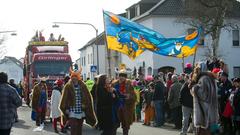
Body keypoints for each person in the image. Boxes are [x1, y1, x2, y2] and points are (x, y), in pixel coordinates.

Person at [59, 68, 97, 135]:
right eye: (73, 77)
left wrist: (85, 105)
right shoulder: (68, 86)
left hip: (81, 110)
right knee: (73, 129)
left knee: (79, 129)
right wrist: (66, 109)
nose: (74, 79)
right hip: (72, 111)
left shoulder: (83, 85)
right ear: (71, 77)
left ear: (78, 78)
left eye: (76, 77)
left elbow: (88, 97)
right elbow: (64, 99)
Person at [189, 64, 219, 135]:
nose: (196, 71)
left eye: (197, 69)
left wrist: (193, 87)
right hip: (210, 113)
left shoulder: (204, 79)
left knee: (203, 132)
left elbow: (203, 95)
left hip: (204, 114)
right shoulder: (210, 78)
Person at [112, 66, 137, 135]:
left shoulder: (129, 84)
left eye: (123, 76)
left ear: (125, 77)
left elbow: (134, 97)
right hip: (116, 107)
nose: (121, 77)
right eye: (120, 76)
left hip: (126, 108)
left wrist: (128, 97)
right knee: (114, 125)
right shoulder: (114, 84)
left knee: (125, 125)